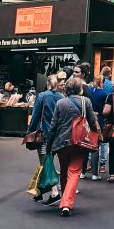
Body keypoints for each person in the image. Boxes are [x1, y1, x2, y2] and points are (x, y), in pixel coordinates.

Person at [44, 77, 98, 216]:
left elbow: (53, 126)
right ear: (80, 89)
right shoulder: (86, 102)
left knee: (63, 170)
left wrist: (49, 146)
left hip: (61, 142)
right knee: (74, 171)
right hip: (80, 142)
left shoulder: (60, 103)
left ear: (66, 89)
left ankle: (64, 199)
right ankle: (67, 203)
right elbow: (93, 122)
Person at [88, 72, 109, 179]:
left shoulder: (89, 91)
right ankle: (100, 166)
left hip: (89, 118)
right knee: (100, 142)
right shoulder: (104, 93)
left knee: (87, 141)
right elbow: (105, 109)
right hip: (99, 119)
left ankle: (88, 164)